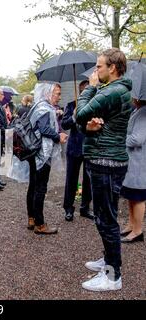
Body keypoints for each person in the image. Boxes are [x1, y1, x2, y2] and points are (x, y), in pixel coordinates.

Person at [75, 48, 133, 291]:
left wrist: (89, 87)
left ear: (113, 68)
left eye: (99, 67)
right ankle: (108, 260)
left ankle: (112, 276)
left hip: (106, 163)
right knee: (103, 217)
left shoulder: (112, 90)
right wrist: (89, 128)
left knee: (107, 220)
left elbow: (79, 113)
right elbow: (85, 124)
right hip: (103, 159)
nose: (95, 71)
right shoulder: (110, 91)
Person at [26, 82, 68, 234]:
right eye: (57, 93)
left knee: (33, 185)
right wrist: (58, 136)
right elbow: (44, 129)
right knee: (40, 188)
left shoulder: (39, 106)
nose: (59, 97)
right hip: (41, 154)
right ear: (48, 94)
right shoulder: (44, 108)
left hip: (34, 152)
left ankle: (31, 218)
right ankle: (40, 224)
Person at [61, 80, 94, 221]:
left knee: (89, 180)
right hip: (74, 148)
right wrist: (74, 116)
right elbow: (64, 124)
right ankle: (68, 209)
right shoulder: (71, 105)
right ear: (81, 92)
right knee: (71, 180)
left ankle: (85, 208)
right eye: (84, 90)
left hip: (90, 148)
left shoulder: (95, 106)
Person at [120, 97, 146, 243]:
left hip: (139, 162)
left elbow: (137, 139)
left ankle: (137, 231)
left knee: (138, 197)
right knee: (131, 196)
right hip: (132, 162)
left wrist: (121, 137)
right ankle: (131, 224)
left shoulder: (144, 113)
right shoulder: (138, 110)